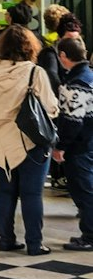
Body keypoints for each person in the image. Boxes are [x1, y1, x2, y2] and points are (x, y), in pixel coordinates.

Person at [0, 23, 59, 256]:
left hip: (0, 141)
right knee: (32, 194)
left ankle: (6, 239)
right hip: (30, 141)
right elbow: (51, 108)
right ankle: (34, 244)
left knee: (5, 192)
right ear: (30, 46)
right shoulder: (35, 72)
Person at [53, 35, 93, 251]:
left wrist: (61, 147)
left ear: (63, 56)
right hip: (90, 142)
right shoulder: (90, 75)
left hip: (79, 147)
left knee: (83, 191)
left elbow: (72, 121)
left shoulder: (75, 83)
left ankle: (90, 236)